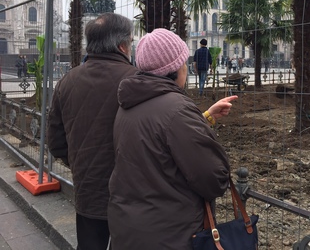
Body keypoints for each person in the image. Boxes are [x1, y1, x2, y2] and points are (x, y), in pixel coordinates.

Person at [107, 29, 237, 249]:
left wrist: (204, 117)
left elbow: (156, 147)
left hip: (130, 227)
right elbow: (213, 179)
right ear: (174, 69)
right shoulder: (177, 110)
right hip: (171, 234)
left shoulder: (129, 104)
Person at [47, 13, 137, 250]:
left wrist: (80, 160)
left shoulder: (67, 81)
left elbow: (55, 142)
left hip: (88, 189)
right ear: (122, 45)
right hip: (133, 192)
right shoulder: (138, 81)